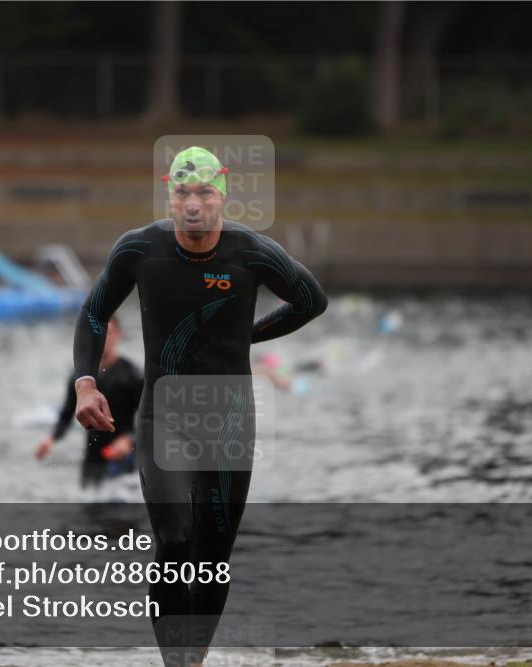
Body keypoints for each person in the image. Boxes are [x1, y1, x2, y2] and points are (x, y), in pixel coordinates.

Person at [71, 146, 328, 666]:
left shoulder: (251, 253)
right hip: (162, 415)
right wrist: (85, 383)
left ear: (222, 196)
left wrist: (247, 337)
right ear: (169, 195)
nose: (193, 204)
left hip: (229, 420)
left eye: (204, 193)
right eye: (182, 192)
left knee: (211, 558)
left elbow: (311, 301)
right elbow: (95, 311)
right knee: (172, 542)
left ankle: (195, 659)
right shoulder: (139, 250)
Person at [35, 316, 143, 487]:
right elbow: (67, 414)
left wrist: (129, 440)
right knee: (88, 508)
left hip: (123, 457)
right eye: (98, 334)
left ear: (119, 336)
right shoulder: (81, 379)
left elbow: (153, 419)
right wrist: (51, 439)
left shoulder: (132, 375)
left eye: (109, 333)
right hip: (92, 460)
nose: (103, 339)